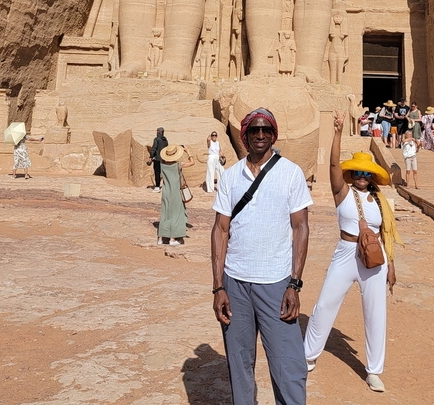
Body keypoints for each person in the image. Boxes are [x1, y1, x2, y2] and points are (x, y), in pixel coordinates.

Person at [211, 108, 312, 405]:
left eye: (265, 130)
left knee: (288, 366)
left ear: (273, 135)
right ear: (244, 135)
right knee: (239, 363)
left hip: (276, 283)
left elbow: (301, 228)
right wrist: (218, 287)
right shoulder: (231, 176)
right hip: (235, 283)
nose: (260, 135)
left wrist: (294, 284)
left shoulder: (290, 172)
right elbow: (220, 230)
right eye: (253, 130)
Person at [304, 113, 401, 393]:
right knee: (325, 303)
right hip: (347, 252)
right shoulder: (343, 193)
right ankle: (308, 354)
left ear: (372, 176)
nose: (361, 177)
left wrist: (391, 265)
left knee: (375, 312)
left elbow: (387, 234)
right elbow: (334, 164)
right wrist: (338, 132)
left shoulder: (381, 201)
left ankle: (374, 370)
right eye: (357, 172)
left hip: (375, 258)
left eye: (366, 173)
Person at [158, 144, 192, 246]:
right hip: (175, 192)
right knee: (176, 214)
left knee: (165, 214)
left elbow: (161, 177)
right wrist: (188, 152)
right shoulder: (178, 165)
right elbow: (192, 162)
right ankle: (172, 239)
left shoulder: (162, 165)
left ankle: (160, 238)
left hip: (166, 192)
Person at [149, 127, 169, 193]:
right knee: (164, 173)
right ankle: (166, 186)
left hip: (157, 158)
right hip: (164, 158)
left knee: (157, 172)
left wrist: (151, 156)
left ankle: (157, 187)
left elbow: (154, 148)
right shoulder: (165, 140)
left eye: (157, 131)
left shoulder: (156, 139)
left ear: (159, 132)